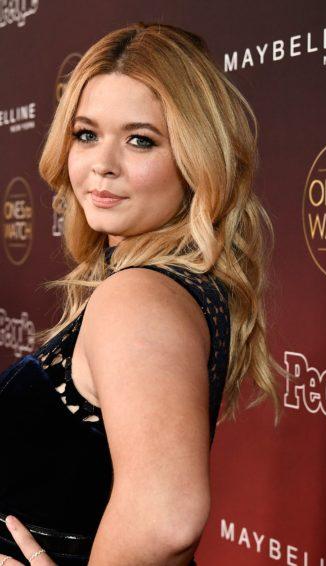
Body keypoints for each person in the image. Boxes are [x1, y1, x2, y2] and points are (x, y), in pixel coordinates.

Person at [0, 22, 289, 565]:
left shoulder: (137, 297)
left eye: (140, 140)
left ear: (195, 156)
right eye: (86, 134)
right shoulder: (166, 287)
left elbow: (166, 517)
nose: (102, 164)